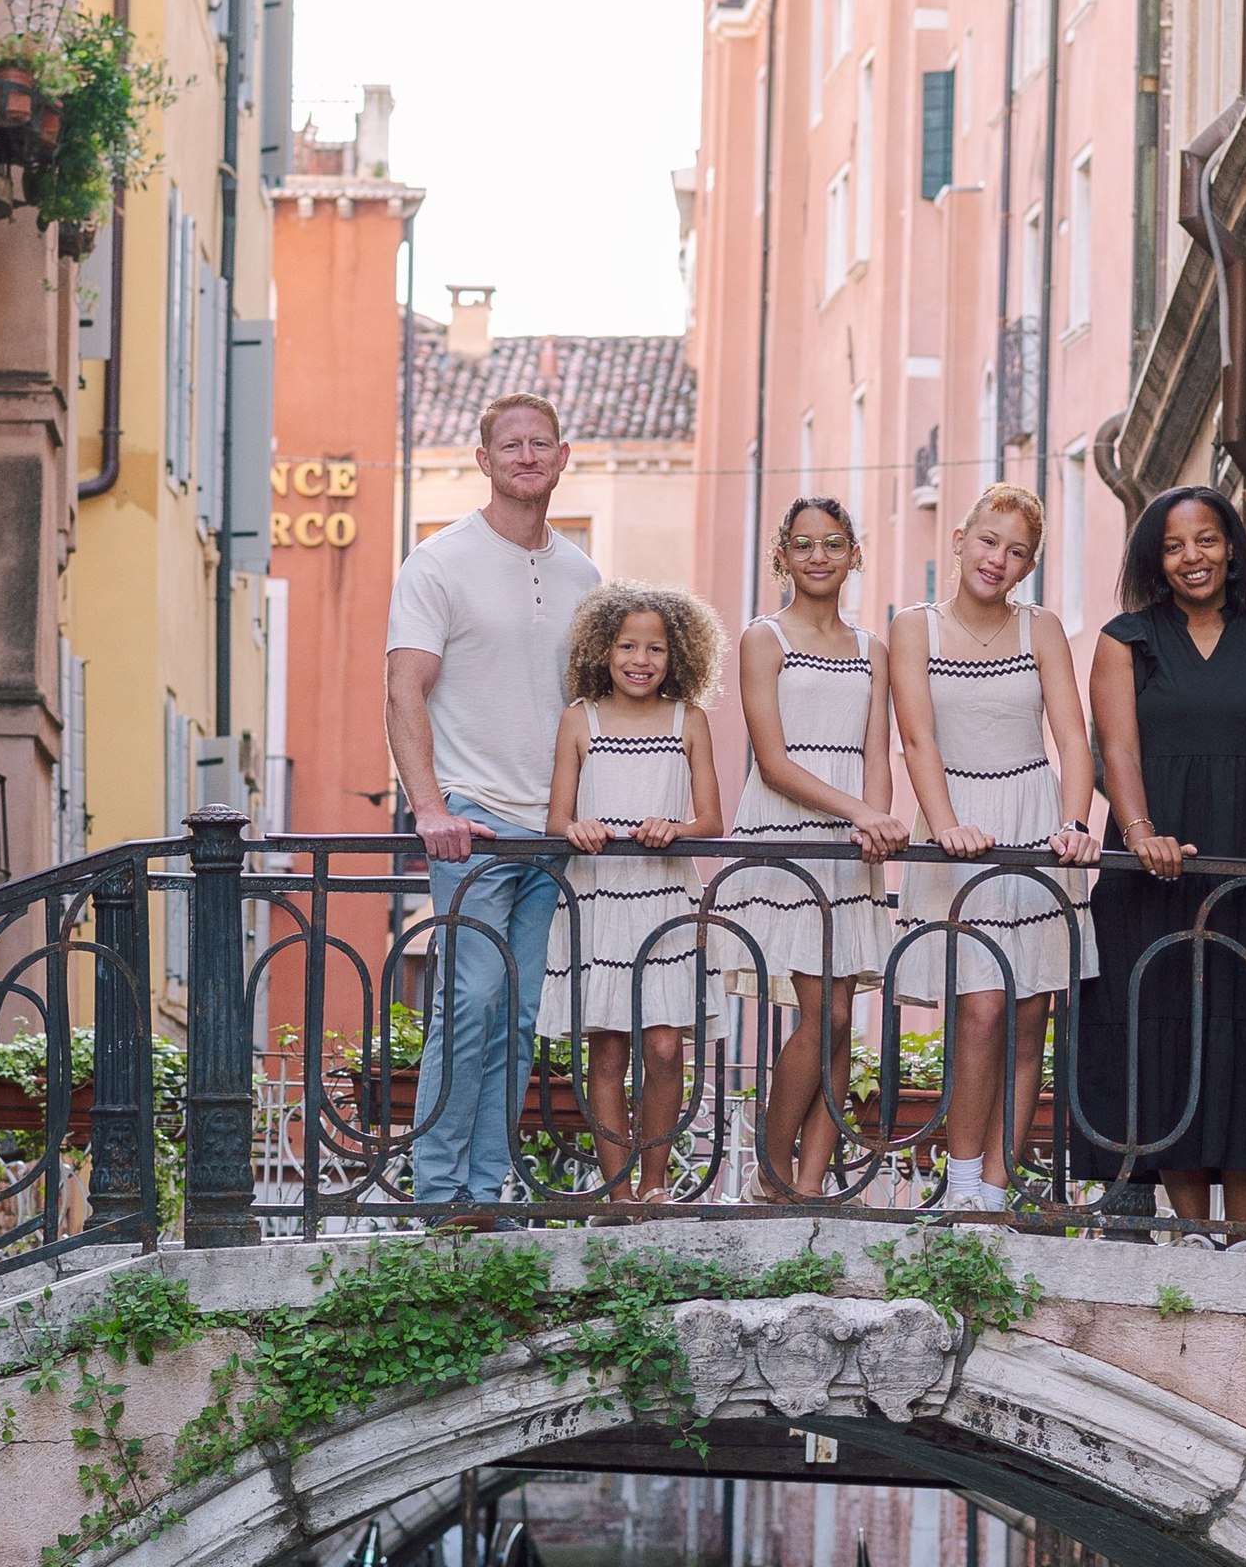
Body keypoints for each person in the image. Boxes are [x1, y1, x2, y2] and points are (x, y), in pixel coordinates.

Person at [1077, 482, 1246, 1228]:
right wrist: (1139, 829)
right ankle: (1196, 1241)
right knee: (1170, 1041)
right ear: (1157, 559)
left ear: (1231, 547)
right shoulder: (1127, 639)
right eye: (1176, 544)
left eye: (1208, 539)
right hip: (1158, 872)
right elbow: (1114, 748)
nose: (1194, 556)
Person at [383, 393, 601, 1210]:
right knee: (466, 1005)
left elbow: (593, 704)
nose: (525, 456)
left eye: (539, 443)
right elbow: (404, 689)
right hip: (471, 824)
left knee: (517, 1013)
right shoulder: (437, 563)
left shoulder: (584, 575)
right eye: (508, 445)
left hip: (552, 828)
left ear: (561, 455)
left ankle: (488, 1183)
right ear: (483, 460)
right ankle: (440, 1193)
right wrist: (429, 806)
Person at [888, 483, 1098, 1216]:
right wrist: (945, 826)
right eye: (988, 541)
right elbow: (917, 738)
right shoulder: (914, 628)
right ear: (959, 539)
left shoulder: (1041, 630)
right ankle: (962, 1183)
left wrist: (1073, 823)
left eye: (1016, 552)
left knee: (1030, 1011)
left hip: (1033, 818)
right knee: (978, 1008)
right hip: (960, 824)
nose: (997, 560)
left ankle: (998, 1195)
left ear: (1027, 566)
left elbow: (1073, 737)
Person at [709, 498, 906, 1198]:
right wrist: (861, 812)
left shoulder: (872, 649)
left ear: (854, 553)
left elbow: (876, 751)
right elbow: (772, 762)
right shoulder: (765, 637)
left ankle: (809, 1186)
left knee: (844, 1018)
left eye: (831, 543)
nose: (817, 555)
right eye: (802, 545)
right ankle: (772, 1170)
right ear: (782, 558)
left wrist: (874, 821)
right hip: (788, 837)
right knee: (824, 1013)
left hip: (851, 848)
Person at [547, 585, 725, 1200]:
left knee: (666, 1046)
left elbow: (711, 821)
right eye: (627, 645)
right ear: (604, 649)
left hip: (665, 899)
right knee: (608, 1050)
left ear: (678, 656)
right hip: (597, 899)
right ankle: (618, 1193)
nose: (640, 659)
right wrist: (578, 828)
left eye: (655, 647)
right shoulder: (580, 718)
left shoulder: (689, 720)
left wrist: (674, 828)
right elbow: (557, 820)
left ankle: (655, 1186)